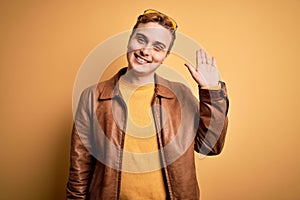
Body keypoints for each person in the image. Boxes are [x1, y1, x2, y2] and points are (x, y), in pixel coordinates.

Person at [66, 9, 229, 200]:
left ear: (165, 56)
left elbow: (210, 147)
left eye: (158, 47)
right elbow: (79, 168)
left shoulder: (181, 95)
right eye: (141, 39)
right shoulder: (93, 97)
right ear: (130, 40)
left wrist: (211, 91)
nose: (145, 51)